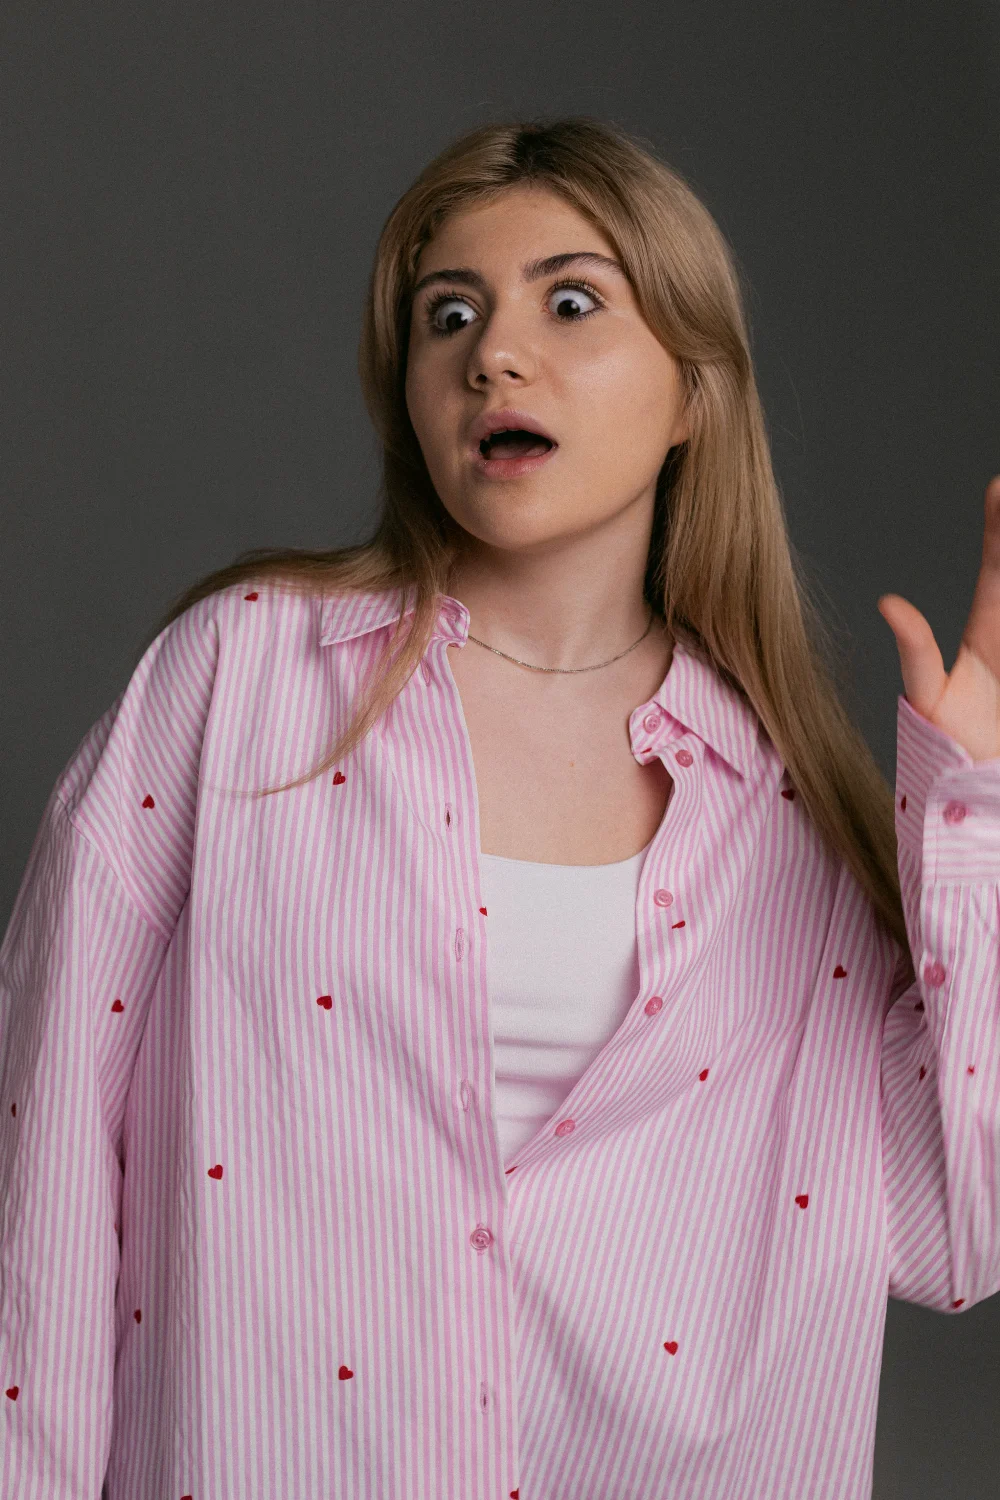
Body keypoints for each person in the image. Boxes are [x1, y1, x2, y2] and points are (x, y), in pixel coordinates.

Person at [1, 115, 998, 1500]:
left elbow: (955, 1230)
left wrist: (976, 825)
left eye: (570, 302)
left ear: (696, 390)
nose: (493, 357)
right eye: (448, 316)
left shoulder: (776, 810)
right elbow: (40, 1155)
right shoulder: (242, 679)